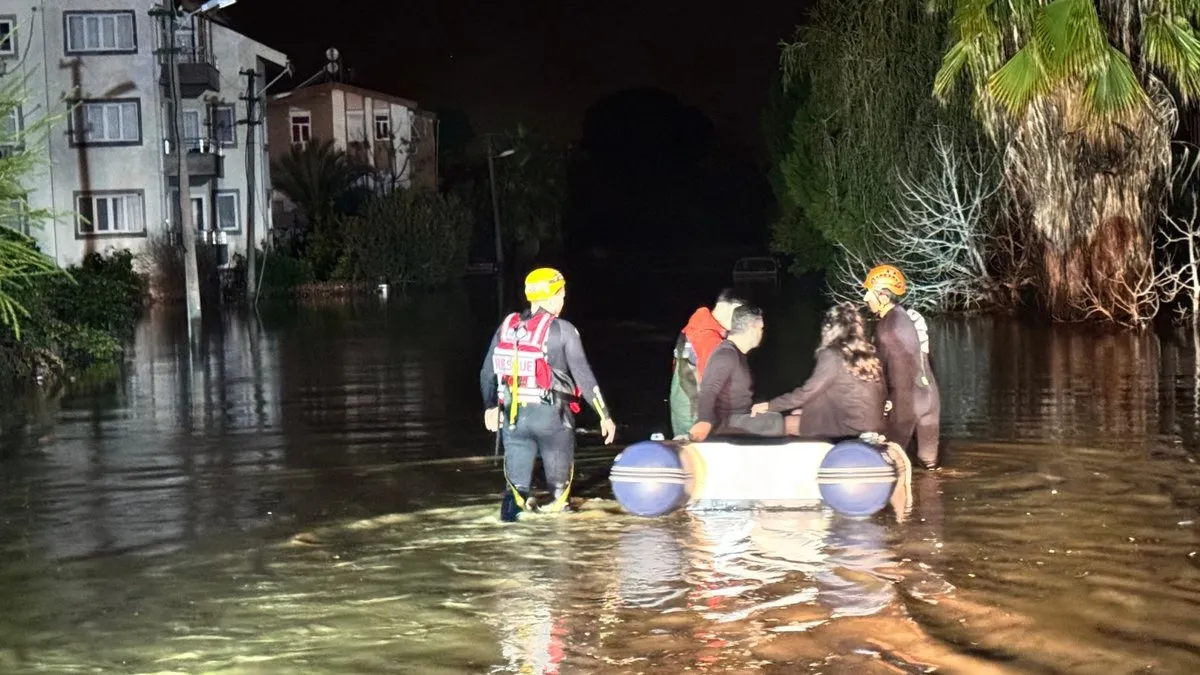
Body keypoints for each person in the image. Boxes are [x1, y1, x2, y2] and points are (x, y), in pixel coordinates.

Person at [480, 267, 618, 521]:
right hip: (552, 420)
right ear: (554, 296)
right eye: (562, 296)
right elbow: (584, 376)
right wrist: (604, 415)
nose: (563, 302)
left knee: (516, 496)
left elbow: (487, 372)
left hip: (513, 421)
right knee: (558, 499)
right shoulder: (564, 330)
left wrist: (490, 406)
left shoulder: (507, 327)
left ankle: (511, 532)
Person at [749, 302, 886, 439]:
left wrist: (770, 405)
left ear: (828, 328)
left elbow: (807, 392)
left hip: (850, 428)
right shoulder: (869, 354)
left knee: (784, 424)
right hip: (871, 424)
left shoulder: (832, 355)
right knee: (799, 413)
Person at [861, 264, 941, 469]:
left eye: (869, 293)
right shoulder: (908, 317)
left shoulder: (886, 329)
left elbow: (887, 375)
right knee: (930, 468)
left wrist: (882, 404)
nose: (865, 298)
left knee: (885, 464)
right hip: (930, 398)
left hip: (906, 403)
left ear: (883, 296)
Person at [688, 304, 800, 441]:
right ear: (751, 329)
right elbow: (709, 389)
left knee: (798, 413)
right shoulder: (725, 355)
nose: (762, 333)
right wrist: (704, 421)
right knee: (800, 424)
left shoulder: (737, 354)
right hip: (729, 423)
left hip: (742, 417)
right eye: (761, 328)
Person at [669, 289, 746, 438]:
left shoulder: (696, 327)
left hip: (685, 414)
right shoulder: (708, 337)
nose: (739, 320)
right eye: (738, 313)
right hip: (698, 419)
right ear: (725, 307)